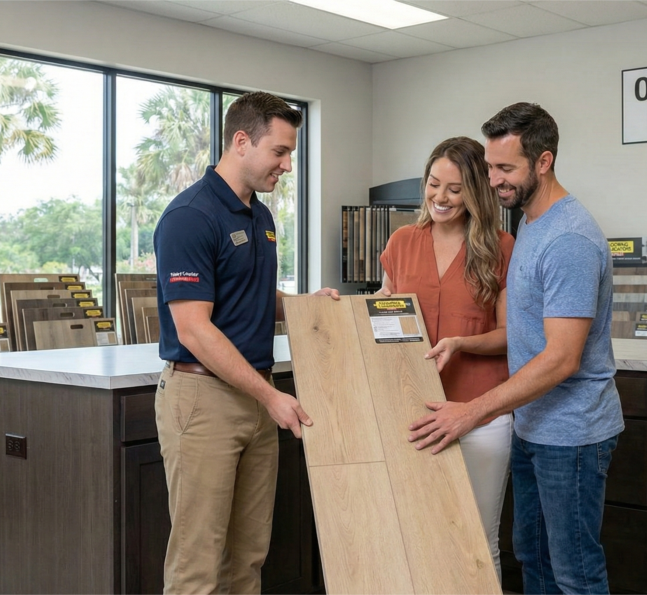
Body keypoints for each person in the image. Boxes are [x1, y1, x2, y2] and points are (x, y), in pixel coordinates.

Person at [407, 103, 623, 595]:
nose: (495, 180)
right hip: (533, 425)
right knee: (537, 562)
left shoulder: (568, 238)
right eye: (490, 167)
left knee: (575, 573)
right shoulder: (531, 221)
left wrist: (472, 411)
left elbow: (562, 357)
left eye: (507, 169)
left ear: (543, 162)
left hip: (570, 434)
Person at [152, 91, 338, 595]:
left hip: (257, 400)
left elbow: (251, 294)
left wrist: (302, 305)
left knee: (249, 557)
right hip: (205, 399)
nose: (287, 165)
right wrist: (270, 395)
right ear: (241, 141)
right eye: (280, 152)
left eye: (290, 154)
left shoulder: (261, 217)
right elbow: (194, 328)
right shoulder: (189, 216)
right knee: (198, 562)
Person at [377, 136, 515, 580]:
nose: (440, 197)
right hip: (414, 414)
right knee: (421, 534)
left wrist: (461, 343)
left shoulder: (501, 248)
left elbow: (510, 335)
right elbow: (385, 305)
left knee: (477, 539)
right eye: (434, 185)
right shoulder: (401, 242)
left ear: (476, 191)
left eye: (454, 190)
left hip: (480, 415)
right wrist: (339, 309)